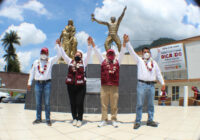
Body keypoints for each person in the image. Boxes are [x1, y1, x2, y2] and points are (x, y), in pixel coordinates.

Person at [123, 34, 165, 129]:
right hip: (141, 85)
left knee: (151, 104)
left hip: (151, 86)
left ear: (150, 53)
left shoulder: (154, 63)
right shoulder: (139, 60)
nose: (146, 53)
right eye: (144, 52)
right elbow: (132, 51)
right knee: (139, 104)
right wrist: (127, 42)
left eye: (148, 52)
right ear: (142, 53)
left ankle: (150, 120)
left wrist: (163, 83)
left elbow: (158, 73)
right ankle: (137, 121)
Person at [58, 36, 93, 127]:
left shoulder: (84, 63)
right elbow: (63, 55)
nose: (77, 56)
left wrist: (89, 45)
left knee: (79, 103)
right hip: (71, 86)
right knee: (73, 103)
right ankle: (74, 118)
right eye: (76, 54)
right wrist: (60, 46)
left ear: (81, 56)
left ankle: (80, 119)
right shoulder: (70, 61)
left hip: (81, 86)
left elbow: (89, 54)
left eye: (79, 55)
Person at [91, 39, 126, 128]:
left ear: (114, 55)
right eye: (109, 53)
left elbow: (122, 52)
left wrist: (124, 43)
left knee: (114, 104)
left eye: (112, 54)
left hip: (114, 86)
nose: (110, 55)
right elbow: (97, 52)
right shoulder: (102, 61)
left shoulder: (118, 61)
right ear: (106, 55)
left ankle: (114, 120)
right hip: (104, 86)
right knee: (104, 104)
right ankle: (104, 120)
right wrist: (93, 43)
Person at [27, 39, 61, 126]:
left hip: (47, 84)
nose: (43, 54)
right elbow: (32, 72)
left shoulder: (50, 61)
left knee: (47, 103)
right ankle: (38, 118)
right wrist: (29, 83)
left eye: (45, 53)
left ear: (48, 54)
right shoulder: (35, 62)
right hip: (38, 84)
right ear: (40, 53)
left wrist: (57, 45)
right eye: (42, 52)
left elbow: (59, 55)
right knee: (38, 103)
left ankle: (48, 119)